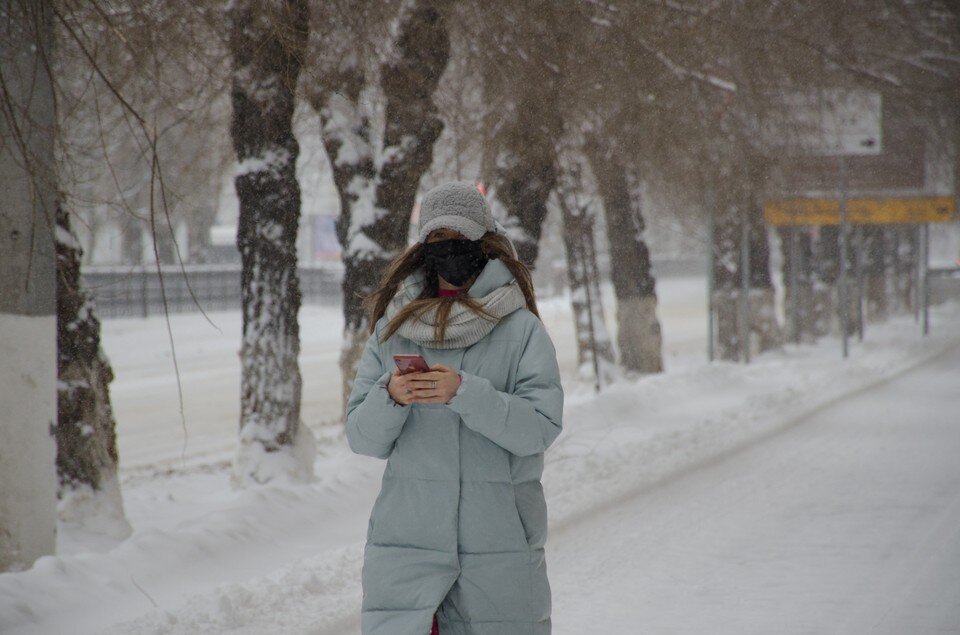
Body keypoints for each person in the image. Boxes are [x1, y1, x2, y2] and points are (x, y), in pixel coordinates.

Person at [345, 181, 564, 635]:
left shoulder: (521, 330)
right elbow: (361, 438)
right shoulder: (394, 329)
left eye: (461, 242)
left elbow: (539, 428)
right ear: (424, 250)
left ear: (484, 244)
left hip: (497, 547)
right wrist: (391, 396)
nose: (450, 253)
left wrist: (467, 393)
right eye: (438, 243)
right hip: (408, 547)